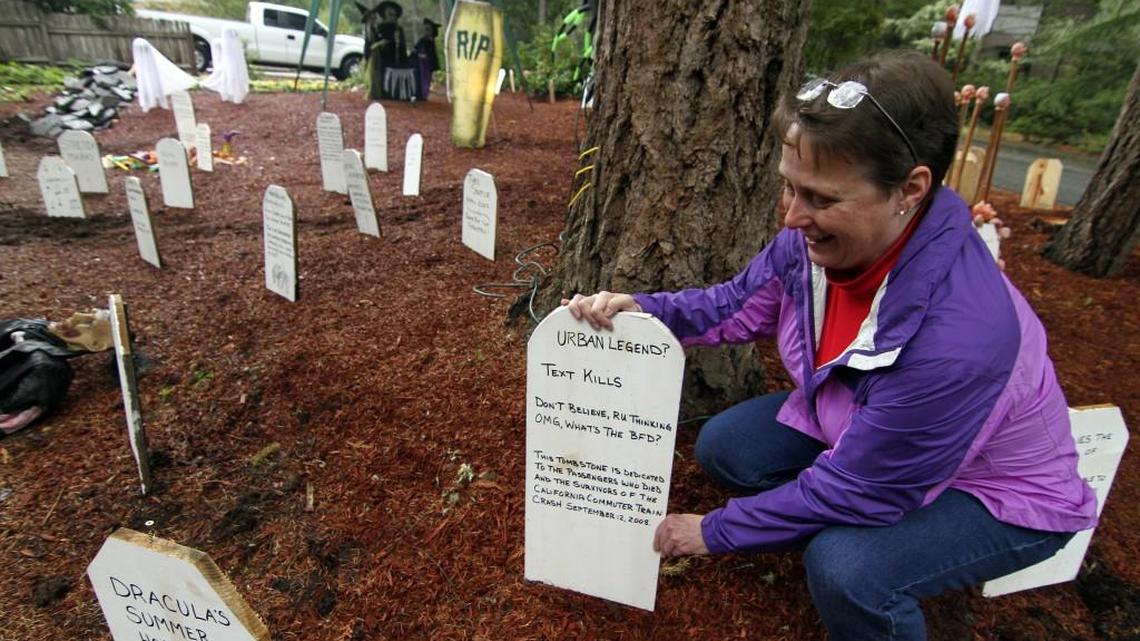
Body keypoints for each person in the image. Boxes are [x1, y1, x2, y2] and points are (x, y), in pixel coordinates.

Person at [562, 50, 1097, 641]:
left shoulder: (956, 340)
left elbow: (860, 488)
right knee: (727, 447)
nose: (792, 217)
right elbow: (735, 305)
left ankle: (882, 581)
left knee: (847, 567)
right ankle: (854, 529)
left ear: (910, 188)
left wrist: (716, 530)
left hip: (999, 491)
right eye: (788, 188)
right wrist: (644, 309)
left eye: (818, 198)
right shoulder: (820, 244)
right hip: (868, 435)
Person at [360, 1, 407, 100]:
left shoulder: (398, 29)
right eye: (389, 12)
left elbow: (403, 46)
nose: (392, 15)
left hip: (395, 59)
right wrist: (379, 44)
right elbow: (372, 44)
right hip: (382, 60)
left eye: (393, 13)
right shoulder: (379, 28)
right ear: (384, 14)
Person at [412, 18, 441, 101]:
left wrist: (426, 56)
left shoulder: (431, 42)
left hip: (427, 64)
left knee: (427, 79)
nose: (426, 32)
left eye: (428, 30)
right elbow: (415, 50)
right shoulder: (422, 40)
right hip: (420, 64)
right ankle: (421, 93)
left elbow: (431, 54)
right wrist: (417, 54)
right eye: (425, 29)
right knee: (421, 79)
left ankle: (424, 94)